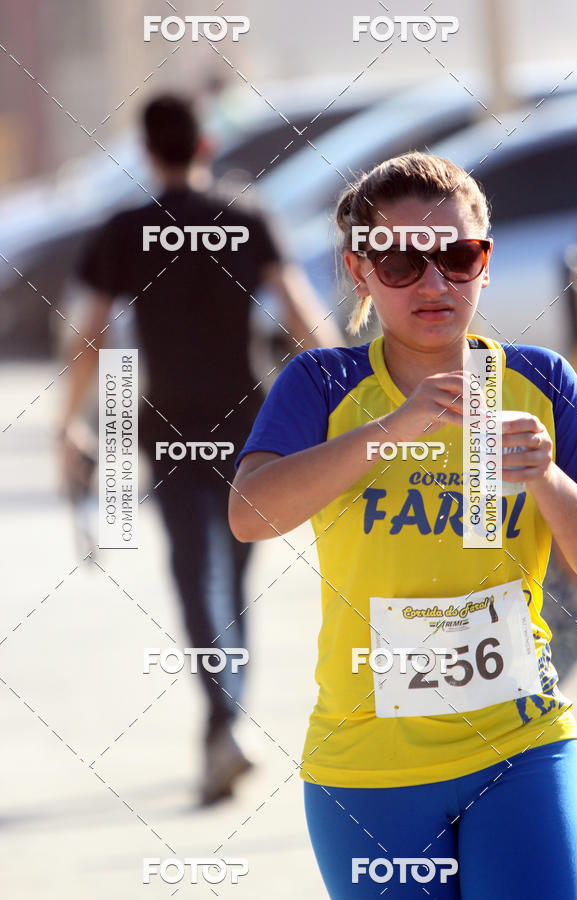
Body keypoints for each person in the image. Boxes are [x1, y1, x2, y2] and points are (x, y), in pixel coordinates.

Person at [229, 152, 577, 897]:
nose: (434, 284)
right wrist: (393, 429)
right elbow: (250, 515)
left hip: (521, 747)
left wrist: (548, 480)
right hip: (369, 769)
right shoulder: (324, 383)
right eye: (402, 262)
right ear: (359, 271)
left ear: (485, 264)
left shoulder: (539, 383)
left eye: (458, 258)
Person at [59, 93, 344, 806]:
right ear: (206, 146)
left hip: (168, 429)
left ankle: (222, 724)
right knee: (229, 580)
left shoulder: (125, 229)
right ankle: (226, 725)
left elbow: (87, 338)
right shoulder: (247, 218)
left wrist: (69, 424)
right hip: (253, 428)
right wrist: (344, 403)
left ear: (148, 151)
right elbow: (308, 321)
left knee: (199, 579)